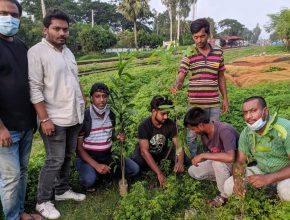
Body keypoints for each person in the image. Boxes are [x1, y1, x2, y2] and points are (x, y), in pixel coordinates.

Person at [28, 9, 86, 219]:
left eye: (65, 29)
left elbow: (74, 81)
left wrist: (83, 104)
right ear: (45, 30)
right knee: (54, 160)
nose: (62, 33)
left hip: (74, 116)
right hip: (54, 118)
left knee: (67, 156)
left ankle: (61, 191)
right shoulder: (37, 52)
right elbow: (34, 88)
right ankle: (43, 201)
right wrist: (44, 118)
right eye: (57, 29)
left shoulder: (68, 52)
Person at [0, 1, 41, 220]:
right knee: (11, 177)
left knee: (22, 172)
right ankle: (12, 218)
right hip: (5, 128)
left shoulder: (21, 45)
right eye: (2, 13)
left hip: (26, 124)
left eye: (13, 14)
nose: (8, 18)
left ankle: (20, 212)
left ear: (20, 17)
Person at [170, 18, 228, 158]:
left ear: (208, 34)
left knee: (214, 132)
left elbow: (221, 77)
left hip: (213, 102)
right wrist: (177, 84)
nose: (199, 40)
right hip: (195, 103)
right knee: (192, 134)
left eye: (202, 36)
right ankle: (193, 159)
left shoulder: (218, 53)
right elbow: (182, 73)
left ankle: (211, 157)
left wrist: (225, 98)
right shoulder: (190, 53)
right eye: (195, 37)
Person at [224, 96, 290, 201]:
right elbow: (239, 161)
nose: (248, 117)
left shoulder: (285, 128)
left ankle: (276, 197)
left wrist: (269, 178)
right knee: (229, 185)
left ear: (265, 111)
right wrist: (238, 182)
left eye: (253, 111)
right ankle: (268, 194)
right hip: (262, 170)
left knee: (287, 192)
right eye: (245, 113)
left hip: (285, 174)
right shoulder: (246, 133)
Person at [76, 83, 139, 191]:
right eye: (97, 96)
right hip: (88, 157)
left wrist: (117, 137)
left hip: (107, 155)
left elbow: (110, 135)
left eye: (104, 96)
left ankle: (104, 172)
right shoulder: (84, 116)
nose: (101, 100)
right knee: (89, 180)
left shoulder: (111, 114)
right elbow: (79, 149)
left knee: (134, 169)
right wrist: (96, 165)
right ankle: (95, 172)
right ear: (91, 98)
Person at [184, 107, 239, 207]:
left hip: (237, 164)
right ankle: (227, 180)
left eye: (193, 129)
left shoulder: (224, 130)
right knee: (193, 170)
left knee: (217, 163)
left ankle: (224, 196)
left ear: (201, 125)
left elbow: (231, 157)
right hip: (222, 165)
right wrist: (200, 158)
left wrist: (203, 155)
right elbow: (211, 153)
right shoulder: (204, 134)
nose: (193, 131)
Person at [131, 96, 185, 188]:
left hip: (161, 152)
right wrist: (159, 173)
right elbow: (144, 152)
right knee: (137, 161)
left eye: (167, 113)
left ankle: (163, 166)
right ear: (153, 111)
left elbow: (178, 145)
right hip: (146, 153)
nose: (166, 117)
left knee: (184, 159)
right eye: (163, 114)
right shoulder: (144, 126)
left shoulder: (170, 124)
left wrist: (180, 161)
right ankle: (153, 170)